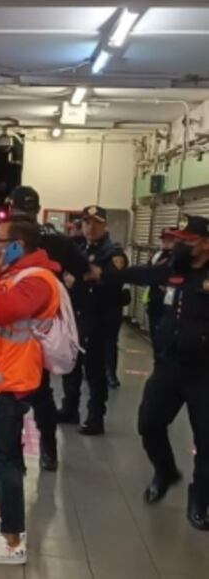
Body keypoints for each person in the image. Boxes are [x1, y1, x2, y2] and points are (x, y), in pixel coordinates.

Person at [0, 219, 63, 565]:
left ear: (19, 244)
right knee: (7, 456)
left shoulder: (36, 280)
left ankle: (11, 542)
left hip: (7, 382)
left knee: (0, 458)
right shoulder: (16, 273)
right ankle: (8, 522)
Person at [0, 186, 90, 471]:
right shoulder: (57, 240)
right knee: (41, 394)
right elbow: (88, 271)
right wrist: (67, 300)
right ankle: (48, 449)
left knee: (8, 402)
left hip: (9, 341)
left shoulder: (5, 239)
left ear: (10, 208)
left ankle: (13, 456)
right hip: (43, 335)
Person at [104, 215, 209, 530]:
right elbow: (143, 274)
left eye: (187, 241)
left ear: (205, 243)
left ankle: (200, 500)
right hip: (169, 365)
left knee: (206, 440)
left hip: (204, 372)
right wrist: (105, 274)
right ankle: (165, 471)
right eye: (178, 239)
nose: (179, 245)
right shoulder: (173, 269)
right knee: (148, 423)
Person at [57, 205, 129, 435]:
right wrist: (82, 276)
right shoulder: (78, 246)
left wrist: (79, 278)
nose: (90, 227)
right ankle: (70, 409)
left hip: (97, 317)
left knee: (94, 369)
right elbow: (65, 272)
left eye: (96, 222)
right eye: (87, 222)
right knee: (71, 365)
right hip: (75, 315)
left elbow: (110, 278)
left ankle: (95, 416)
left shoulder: (113, 252)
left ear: (104, 225)